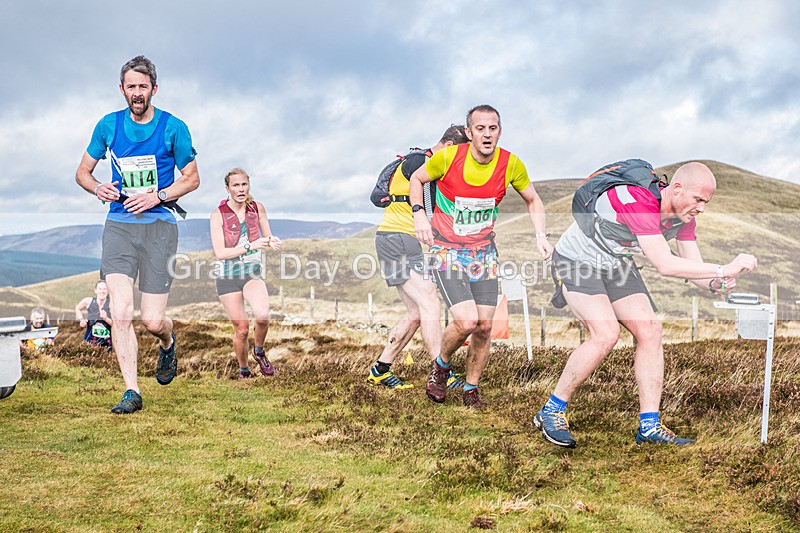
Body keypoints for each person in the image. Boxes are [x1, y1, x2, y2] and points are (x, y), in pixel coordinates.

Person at [534, 161, 757, 448]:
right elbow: (664, 265)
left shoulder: (684, 219)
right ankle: (550, 411)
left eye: (706, 202)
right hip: (577, 262)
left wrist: (716, 282)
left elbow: (694, 268)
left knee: (651, 330)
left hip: (616, 265)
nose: (701, 207)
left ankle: (649, 426)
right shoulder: (635, 200)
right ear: (676, 189)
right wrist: (723, 269)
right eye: (698, 199)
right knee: (605, 335)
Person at [75, 55, 200, 414]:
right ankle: (132, 391)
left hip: (160, 227)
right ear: (122, 89)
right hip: (118, 226)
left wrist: (156, 196)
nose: (137, 92)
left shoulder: (174, 127)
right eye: (131, 86)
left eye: (143, 86)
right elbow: (82, 172)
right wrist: (97, 187)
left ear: (154, 89)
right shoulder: (108, 126)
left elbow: (192, 178)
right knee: (121, 311)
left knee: (152, 321)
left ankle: (167, 341)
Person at [411, 105, 553, 408]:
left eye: (493, 128)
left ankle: (471, 388)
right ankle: (442, 366)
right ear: (469, 132)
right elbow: (417, 179)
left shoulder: (511, 164)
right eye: (480, 128)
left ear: (499, 131)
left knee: (485, 326)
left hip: (483, 253)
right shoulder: (448, 157)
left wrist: (540, 235)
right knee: (465, 321)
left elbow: (533, 199)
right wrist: (419, 215)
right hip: (447, 250)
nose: (487, 134)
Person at [368, 125, 470, 390]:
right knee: (429, 302)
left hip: (406, 242)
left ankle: (380, 369)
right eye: (459, 154)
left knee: (416, 312)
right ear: (448, 147)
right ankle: (441, 373)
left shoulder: (426, 165)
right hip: (395, 239)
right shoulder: (419, 162)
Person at [210, 168, 282, 379]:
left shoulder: (257, 208)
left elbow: (266, 237)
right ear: (228, 188)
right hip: (227, 277)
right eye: (235, 185)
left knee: (262, 316)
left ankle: (258, 350)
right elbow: (221, 253)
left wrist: (272, 241)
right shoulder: (217, 215)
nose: (240, 189)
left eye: (244, 184)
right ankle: (244, 370)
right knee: (241, 329)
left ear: (248, 186)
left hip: (251, 273)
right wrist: (251, 246)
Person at [75, 280, 113, 349]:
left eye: (105, 289)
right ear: (95, 290)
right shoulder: (88, 301)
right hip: (90, 340)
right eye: (100, 289)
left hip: (106, 342)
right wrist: (81, 320)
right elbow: (78, 308)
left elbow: (116, 325)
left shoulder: (111, 305)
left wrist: (106, 319)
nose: (102, 291)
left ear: (108, 291)